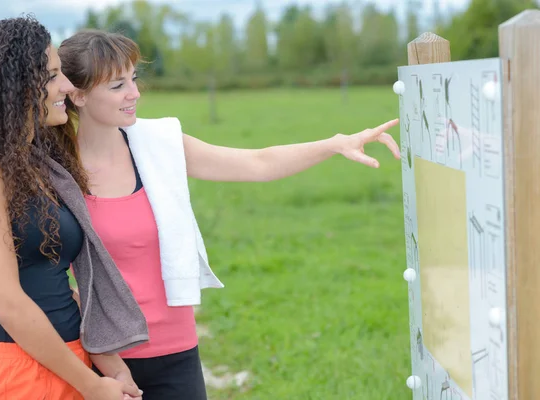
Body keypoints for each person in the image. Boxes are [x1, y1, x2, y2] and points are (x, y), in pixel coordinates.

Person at [57, 29, 400, 400]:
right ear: (77, 94)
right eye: (117, 85)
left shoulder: (160, 144)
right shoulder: (56, 172)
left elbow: (258, 163)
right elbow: (44, 279)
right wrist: (103, 360)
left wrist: (335, 144)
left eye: (135, 79)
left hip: (176, 351)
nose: (135, 93)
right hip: (99, 363)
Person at [0, 17, 143, 400]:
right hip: (24, 374)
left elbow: (56, 285)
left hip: (71, 360)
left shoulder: (35, 166)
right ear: (14, 88)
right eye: (52, 76)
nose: (66, 85)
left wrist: (110, 365)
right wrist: (91, 386)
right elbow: (9, 304)